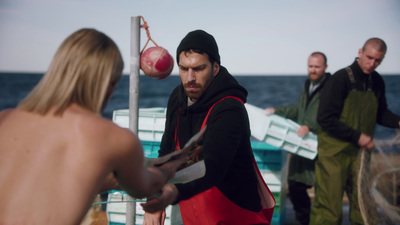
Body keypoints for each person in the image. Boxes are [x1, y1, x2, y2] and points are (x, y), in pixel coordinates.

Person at [0, 28, 187, 225]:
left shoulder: (5, 119)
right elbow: (145, 186)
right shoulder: (112, 137)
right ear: (109, 83)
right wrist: (170, 168)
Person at [142, 29, 275, 225]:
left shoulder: (230, 109)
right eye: (183, 68)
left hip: (234, 216)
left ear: (215, 68)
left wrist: (168, 193)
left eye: (198, 69)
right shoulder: (177, 99)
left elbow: (210, 164)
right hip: (193, 213)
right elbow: (166, 150)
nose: (189, 78)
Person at [310, 38, 400, 225]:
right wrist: (358, 136)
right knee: (329, 209)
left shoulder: (377, 81)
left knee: (362, 205)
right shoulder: (340, 79)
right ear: (360, 52)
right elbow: (325, 118)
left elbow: (380, 113)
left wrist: (398, 121)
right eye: (369, 58)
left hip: (360, 154)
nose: (371, 64)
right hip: (334, 154)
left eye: (378, 61)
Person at [265, 52, 330, 225]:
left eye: (317, 66)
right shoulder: (308, 84)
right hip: (301, 145)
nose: (313, 70)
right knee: (294, 187)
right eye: (310, 66)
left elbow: (334, 115)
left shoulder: (331, 87)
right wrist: (277, 111)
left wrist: (311, 127)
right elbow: (299, 109)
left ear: (325, 67)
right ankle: (305, 221)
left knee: (323, 193)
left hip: (321, 147)